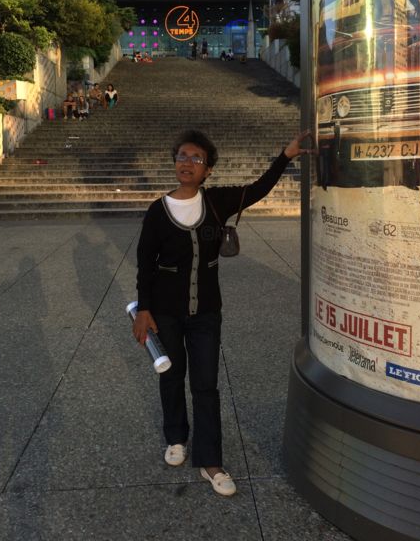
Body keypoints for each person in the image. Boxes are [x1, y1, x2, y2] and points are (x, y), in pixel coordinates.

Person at [133, 129, 312, 497]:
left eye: (196, 159)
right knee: (172, 376)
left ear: (208, 170)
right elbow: (144, 263)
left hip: (206, 314)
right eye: (182, 156)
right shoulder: (157, 210)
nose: (187, 163)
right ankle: (176, 438)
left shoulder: (217, 201)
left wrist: (286, 155)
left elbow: (259, 188)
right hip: (165, 312)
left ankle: (210, 461)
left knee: (206, 385)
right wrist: (143, 310)